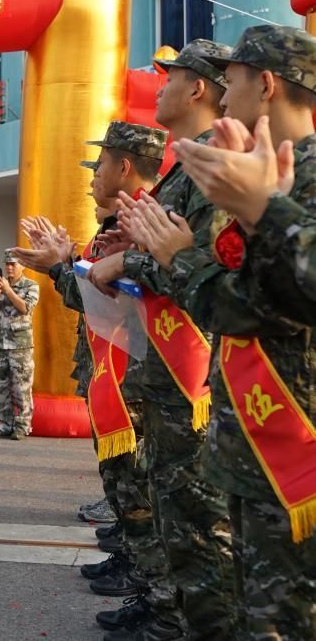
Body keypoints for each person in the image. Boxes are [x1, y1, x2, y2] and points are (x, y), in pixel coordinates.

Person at [122, 25, 316, 639]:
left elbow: (244, 310)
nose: (223, 103)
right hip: (248, 434)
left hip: (290, 438)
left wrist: (181, 257)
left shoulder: (296, 184)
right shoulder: (266, 177)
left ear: (267, 84)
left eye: (230, 86)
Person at [86, 40, 238, 638]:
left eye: (169, 78)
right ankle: (170, 614)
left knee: (201, 525)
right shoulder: (184, 174)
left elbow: (200, 266)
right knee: (177, 519)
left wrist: (126, 264)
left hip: (192, 376)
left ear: (197, 88)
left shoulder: (215, 171)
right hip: (162, 376)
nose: (161, 88)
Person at [13, 121, 174, 635]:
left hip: (143, 384)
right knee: (128, 488)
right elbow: (97, 294)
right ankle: (145, 579)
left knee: (142, 492)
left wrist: (65, 266)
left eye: (100, 164)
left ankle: (162, 602)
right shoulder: (125, 229)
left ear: (124, 167)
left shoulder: (152, 224)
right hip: (118, 377)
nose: (93, 177)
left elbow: (125, 299)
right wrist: (65, 264)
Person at [0, 252, 40, 440]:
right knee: (1, 387)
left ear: (22, 266)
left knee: (21, 388)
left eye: (13, 264)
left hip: (20, 347)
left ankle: (22, 426)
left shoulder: (31, 286)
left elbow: (26, 308)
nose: (9, 268)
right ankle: (5, 424)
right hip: (0, 344)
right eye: (7, 264)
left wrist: (8, 290)